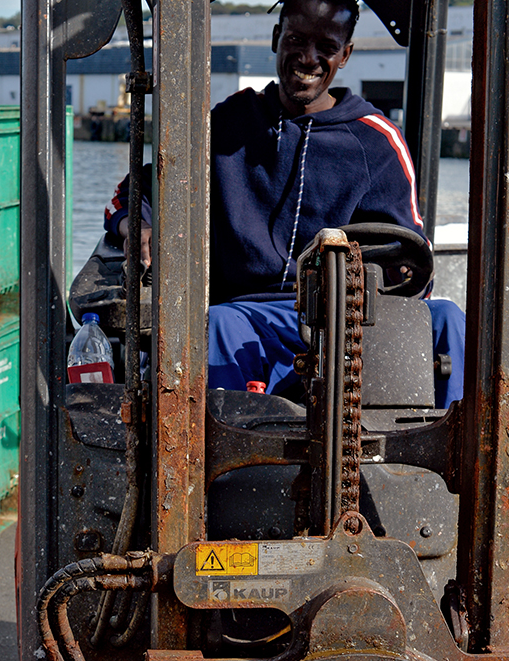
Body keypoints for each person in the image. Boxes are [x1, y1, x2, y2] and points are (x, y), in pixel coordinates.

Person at [104, 0, 465, 408]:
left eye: (325, 46)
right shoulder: (230, 123)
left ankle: (446, 458)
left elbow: (413, 258)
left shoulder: (378, 142)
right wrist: (138, 229)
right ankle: (222, 465)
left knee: (448, 320)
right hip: (248, 316)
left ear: (344, 55)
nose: (308, 58)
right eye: (295, 40)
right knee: (216, 325)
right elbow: (141, 189)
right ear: (277, 39)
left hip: (345, 320)